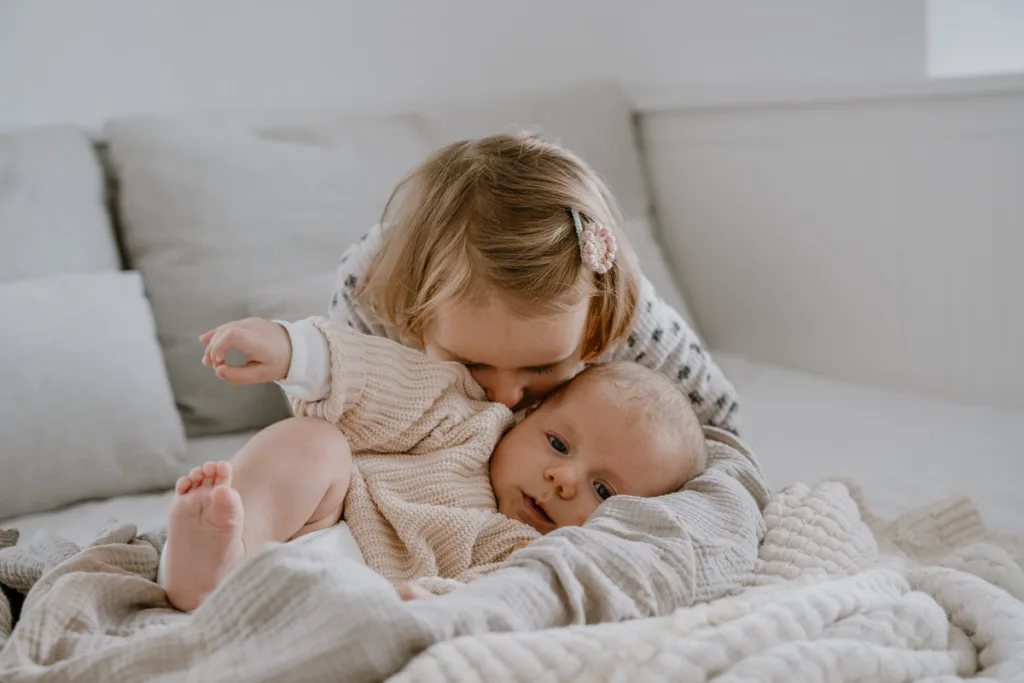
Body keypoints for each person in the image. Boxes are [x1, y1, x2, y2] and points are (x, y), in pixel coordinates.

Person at [161, 318, 707, 612]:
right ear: (528, 415)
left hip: (370, 599)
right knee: (314, 443)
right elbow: (386, 382)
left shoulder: (542, 553)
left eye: (603, 491)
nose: (562, 480)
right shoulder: (468, 422)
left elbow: (510, 600)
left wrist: (438, 605)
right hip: (319, 523)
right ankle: (221, 557)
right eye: (559, 445)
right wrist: (293, 351)